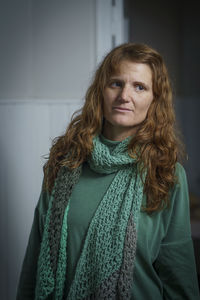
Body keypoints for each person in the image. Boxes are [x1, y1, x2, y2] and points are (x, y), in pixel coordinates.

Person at [17, 43, 200, 300]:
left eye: (140, 87)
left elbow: (179, 274)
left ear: (154, 99)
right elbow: (34, 261)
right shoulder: (65, 163)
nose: (125, 96)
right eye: (116, 83)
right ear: (100, 91)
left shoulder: (165, 174)